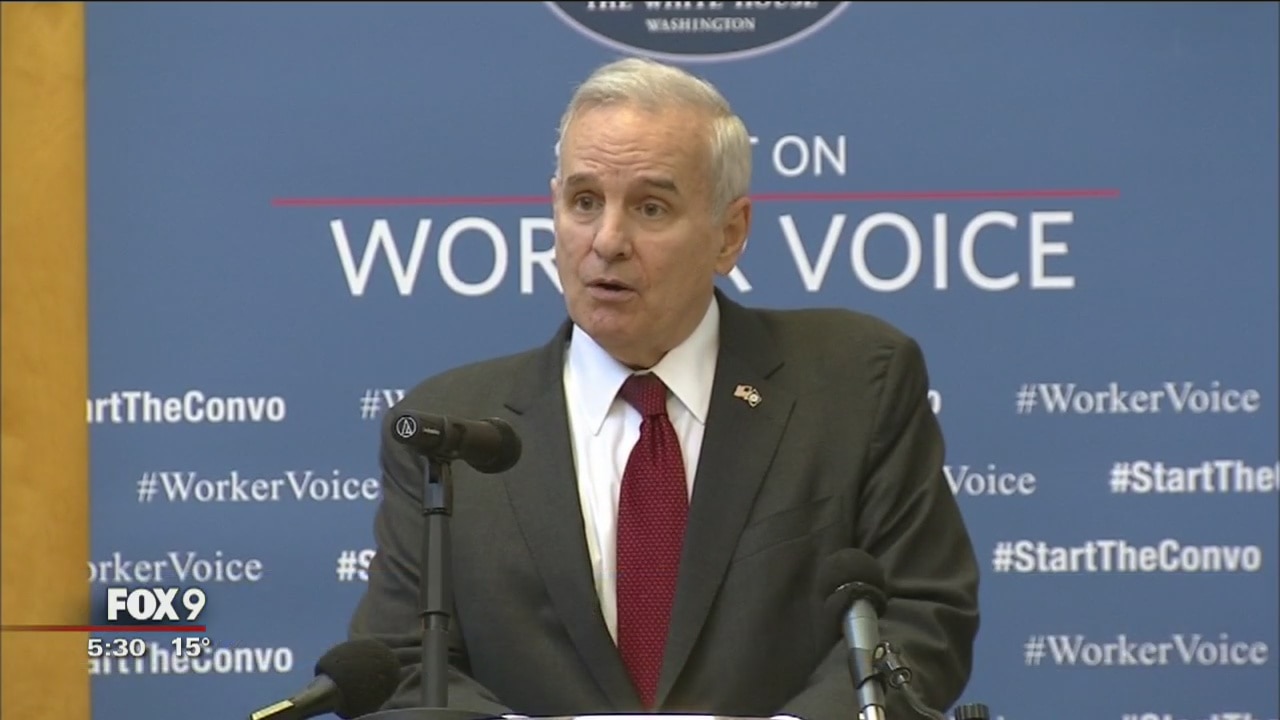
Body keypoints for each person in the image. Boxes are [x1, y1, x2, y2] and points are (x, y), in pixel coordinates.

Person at [349, 56, 980, 720]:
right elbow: (403, 662)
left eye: (651, 208)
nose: (607, 241)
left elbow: (921, 612)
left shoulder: (854, 383)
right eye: (584, 202)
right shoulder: (450, 427)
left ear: (730, 234)